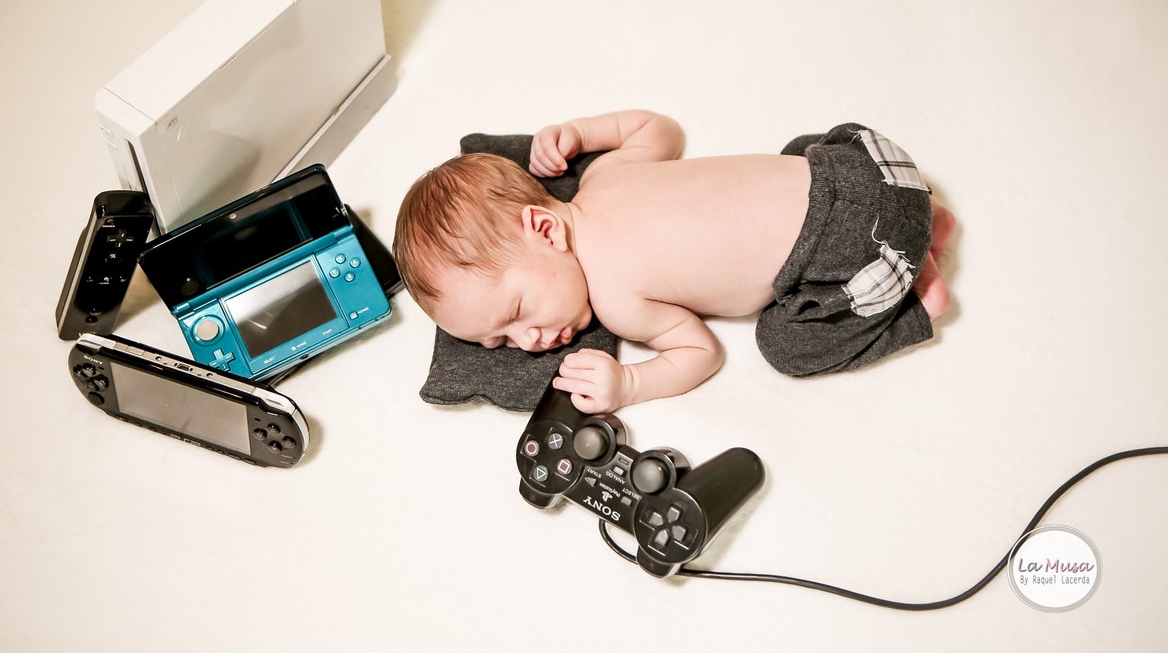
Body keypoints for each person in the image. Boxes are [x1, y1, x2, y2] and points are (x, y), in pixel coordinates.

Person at [393, 110, 955, 413]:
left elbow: (701, 353)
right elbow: (657, 129)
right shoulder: (603, 173)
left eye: (517, 312)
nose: (529, 340)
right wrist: (580, 132)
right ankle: (927, 217)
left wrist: (628, 384)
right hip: (862, 160)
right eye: (502, 342)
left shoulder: (618, 302)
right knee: (788, 157)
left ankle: (914, 299)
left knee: (786, 345)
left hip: (861, 244)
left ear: (544, 228)